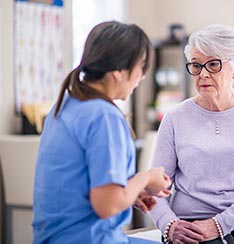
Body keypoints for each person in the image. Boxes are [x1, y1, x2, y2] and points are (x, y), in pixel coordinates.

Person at [32, 21, 172, 244]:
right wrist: (145, 178)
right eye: (141, 66)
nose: (142, 76)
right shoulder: (104, 116)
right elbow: (107, 206)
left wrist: (128, 192)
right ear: (118, 72)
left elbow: (78, 187)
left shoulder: (65, 105)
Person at [149, 24, 234, 244]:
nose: (203, 73)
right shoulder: (175, 117)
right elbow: (156, 188)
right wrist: (169, 225)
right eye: (196, 65)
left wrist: (219, 224)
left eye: (213, 64)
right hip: (191, 223)